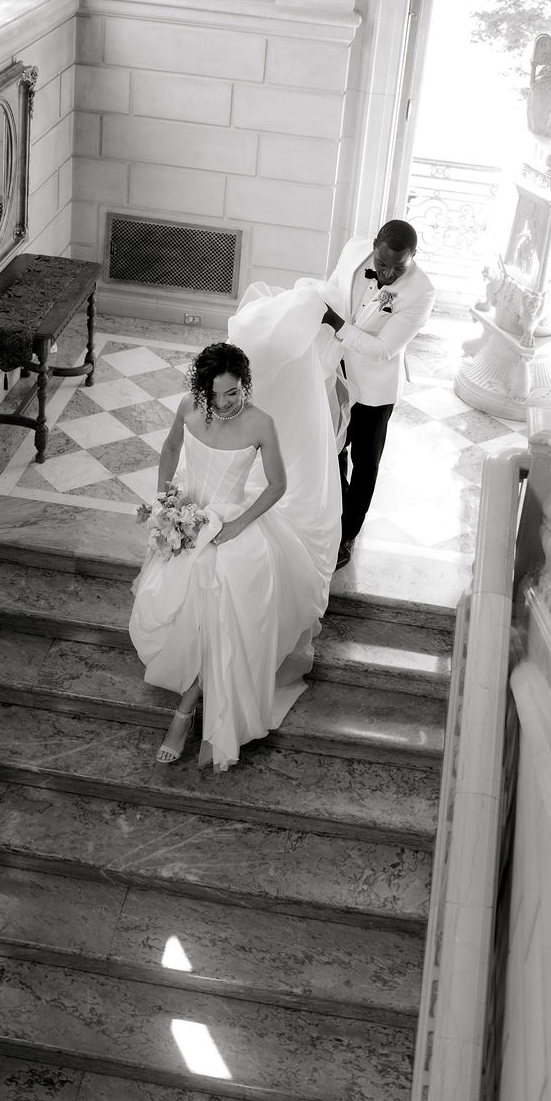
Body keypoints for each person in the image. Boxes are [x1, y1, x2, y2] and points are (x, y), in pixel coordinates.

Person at [128, 283, 341, 771]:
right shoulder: (189, 407)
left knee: (222, 612)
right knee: (184, 609)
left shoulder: (261, 423)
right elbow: (170, 449)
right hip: (186, 519)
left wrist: (240, 525)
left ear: (245, 384)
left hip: (234, 528)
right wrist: (165, 500)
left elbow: (278, 485)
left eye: (233, 392)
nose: (224, 403)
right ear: (201, 389)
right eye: (215, 394)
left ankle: (185, 713)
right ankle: (190, 693)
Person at [321, 219, 436, 570]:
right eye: (382, 263)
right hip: (336, 371)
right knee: (332, 448)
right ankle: (334, 515)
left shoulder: (421, 292)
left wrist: (337, 326)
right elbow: (333, 291)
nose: (387, 273)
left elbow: (384, 350)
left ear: (413, 256)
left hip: (374, 391)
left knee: (365, 464)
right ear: (373, 246)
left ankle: (347, 534)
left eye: (398, 268)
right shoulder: (353, 250)